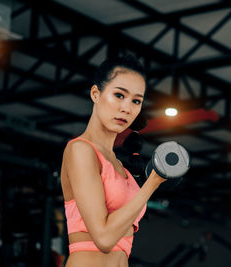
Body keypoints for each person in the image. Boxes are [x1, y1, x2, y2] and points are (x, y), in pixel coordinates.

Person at [60, 55, 166, 267]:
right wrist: (153, 183)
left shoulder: (119, 165)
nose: (127, 108)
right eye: (119, 95)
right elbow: (104, 239)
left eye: (136, 101)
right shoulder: (80, 150)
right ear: (95, 94)